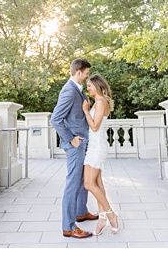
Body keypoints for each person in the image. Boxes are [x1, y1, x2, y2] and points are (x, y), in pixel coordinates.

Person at [50, 59, 97, 240]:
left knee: (82, 179)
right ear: (79, 72)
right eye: (86, 74)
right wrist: (71, 139)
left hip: (83, 142)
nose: (87, 77)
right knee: (72, 182)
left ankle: (80, 212)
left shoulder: (77, 90)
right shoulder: (69, 91)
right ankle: (69, 227)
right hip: (75, 145)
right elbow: (56, 119)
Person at [82, 74, 119, 235]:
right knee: (97, 183)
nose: (87, 88)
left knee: (89, 184)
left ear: (97, 85)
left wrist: (85, 112)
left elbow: (95, 126)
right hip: (95, 146)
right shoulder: (99, 101)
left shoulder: (100, 101)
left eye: (89, 85)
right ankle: (102, 218)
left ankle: (111, 214)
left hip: (97, 147)